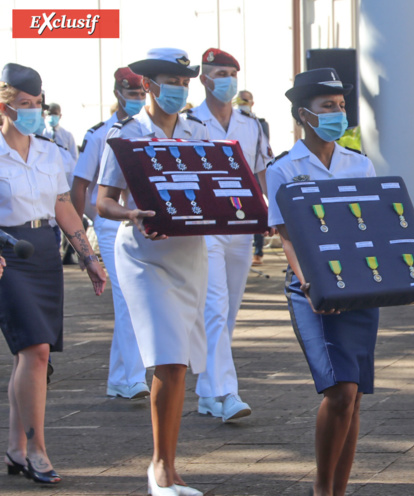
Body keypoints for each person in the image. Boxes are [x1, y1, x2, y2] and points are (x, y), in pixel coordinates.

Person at [267, 68, 414, 496]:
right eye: (327, 107)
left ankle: (338, 489)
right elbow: (288, 240)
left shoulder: (359, 162)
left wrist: (408, 280)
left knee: (354, 396)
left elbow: (376, 228)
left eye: (341, 106)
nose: (338, 114)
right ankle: (322, 488)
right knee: (339, 392)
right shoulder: (283, 168)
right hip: (314, 290)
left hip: (359, 285)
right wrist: (312, 287)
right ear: (304, 114)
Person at [96, 48, 208, 496]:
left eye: (184, 82)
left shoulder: (197, 130)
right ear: (150, 85)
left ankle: (172, 468)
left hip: (188, 254)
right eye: (170, 81)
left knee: (180, 366)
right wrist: (132, 215)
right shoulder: (126, 133)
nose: (179, 89)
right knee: (168, 357)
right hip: (143, 257)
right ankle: (160, 469)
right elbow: (102, 201)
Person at [0, 62, 106, 485]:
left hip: (44, 253)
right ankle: (38, 449)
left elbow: (63, 204)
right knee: (36, 352)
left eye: (38, 103)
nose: (34, 111)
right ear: (4, 107)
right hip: (9, 254)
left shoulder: (49, 149)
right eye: (24, 104)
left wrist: (87, 255)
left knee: (29, 356)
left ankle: (15, 448)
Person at [191, 48, 271, 422]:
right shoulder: (190, 122)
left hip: (240, 226)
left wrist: (271, 213)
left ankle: (208, 391)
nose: (227, 81)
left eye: (231, 73)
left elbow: (260, 174)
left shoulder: (250, 125)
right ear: (204, 79)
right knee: (215, 306)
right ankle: (227, 391)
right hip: (205, 226)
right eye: (219, 73)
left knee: (229, 311)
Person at [70, 67, 149, 400]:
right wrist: (81, 234)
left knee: (132, 300)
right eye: (132, 95)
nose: (138, 100)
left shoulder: (148, 129)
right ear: (118, 94)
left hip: (137, 220)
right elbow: (80, 185)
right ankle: (131, 377)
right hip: (108, 222)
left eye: (142, 95)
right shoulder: (102, 133)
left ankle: (121, 376)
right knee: (128, 299)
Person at [234, 89, 271, 264]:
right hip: (238, 177)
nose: (243, 104)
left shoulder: (258, 124)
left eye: (246, 101)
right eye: (240, 101)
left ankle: (258, 250)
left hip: (255, 173)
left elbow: (264, 157)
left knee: (259, 208)